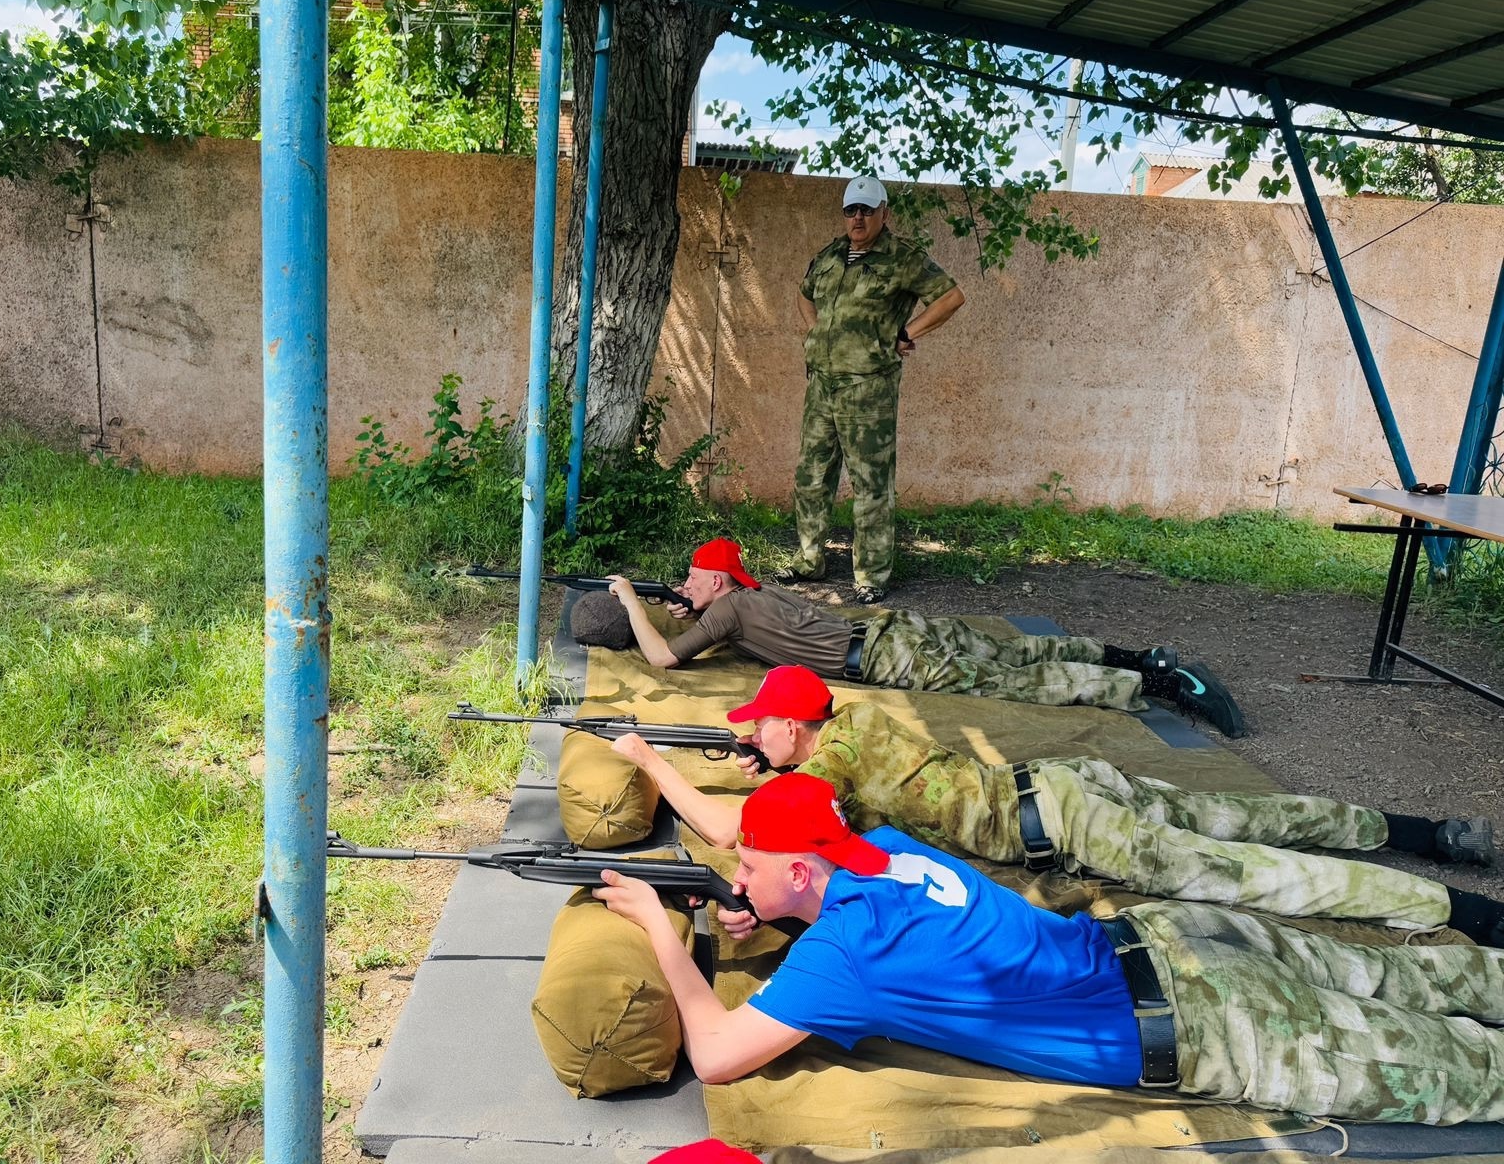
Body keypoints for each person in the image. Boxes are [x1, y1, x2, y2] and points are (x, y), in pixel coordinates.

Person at [593, 772, 1504, 1124]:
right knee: (1419, 972)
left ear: (800, 868)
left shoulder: (844, 960)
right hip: (1173, 939)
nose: (740, 876)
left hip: (1212, 1023)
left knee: (1470, 1073)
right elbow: (895, 929)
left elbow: (718, 1054)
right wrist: (780, 911)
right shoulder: (890, 850)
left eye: (750, 864)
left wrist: (658, 931)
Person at [610, 665, 1502, 940]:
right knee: (1246, 815)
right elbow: (822, 775)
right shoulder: (855, 720)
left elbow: (729, 827)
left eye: (758, 727)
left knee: (1245, 872)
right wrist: (772, 763)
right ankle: (1428, 832)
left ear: (792, 729)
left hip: (1066, 824)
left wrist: (651, 761)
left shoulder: (824, 765)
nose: (750, 735)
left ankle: (1468, 914)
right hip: (1063, 783)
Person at [605, 537, 1247, 737]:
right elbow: (739, 627)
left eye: (694, 578)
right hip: (891, 629)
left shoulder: (725, 612)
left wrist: (633, 601)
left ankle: (1157, 684)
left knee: (1017, 682)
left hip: (883, 657)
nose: (686, 585)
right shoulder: (753, 595)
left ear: (718, 581)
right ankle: (1140, 657)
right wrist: (687, 607)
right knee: (1016, 649)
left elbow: (663, 659)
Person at [788, 175, 966, 606]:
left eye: (867, 210)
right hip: (822, 384)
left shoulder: (903, 258)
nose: (858, 218)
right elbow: (804, 294)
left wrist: (907, 332)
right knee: (811, 478)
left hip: (869, 389)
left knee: (870, 485)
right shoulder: (830, 255)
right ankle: (808, 561)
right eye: (851, 210)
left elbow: (950, 297)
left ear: (884, 213)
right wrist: (814, 332)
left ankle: (871, 574)